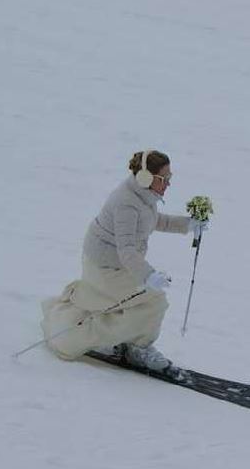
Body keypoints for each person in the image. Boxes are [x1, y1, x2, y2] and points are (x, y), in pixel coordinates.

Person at [40, 150, 208, 370]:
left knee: (142, 302)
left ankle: (128, 341)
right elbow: (126, 249)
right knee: (154, 301)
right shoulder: (127, 203)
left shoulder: (143, 196)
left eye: (170, 178)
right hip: (105, 267)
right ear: (146, 178)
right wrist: (148, 275)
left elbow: (153, 221)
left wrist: (188, 225)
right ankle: (137, 347)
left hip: (115, 264)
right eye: (164, 179)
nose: (168, 184)